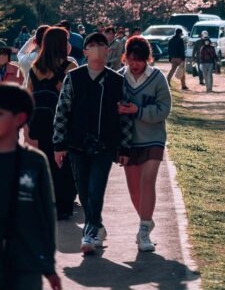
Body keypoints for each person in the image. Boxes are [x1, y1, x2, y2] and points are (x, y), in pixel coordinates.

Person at [53, 32, 132, 255]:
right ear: (85, 51)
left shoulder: (117, 81)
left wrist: (124, 147)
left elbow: (124, 117)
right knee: (83, 189)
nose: (97, 48)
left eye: (101, 45)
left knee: (96, 188)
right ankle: (96, 224)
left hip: (105, 145)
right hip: (77, 144)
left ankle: (89, 232)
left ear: (108, 50)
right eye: (92, 45)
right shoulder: (74, 78)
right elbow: (62, 112)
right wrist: (59, 144)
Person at [0, 83, 61, 290]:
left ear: (20, 118)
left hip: (27, 264)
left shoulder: (34, 162)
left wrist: (49, 266)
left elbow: (46, 214)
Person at [117, 36, 171, 252]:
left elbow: (164, 109)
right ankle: (146, 220)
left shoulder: (157, 78)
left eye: (139, 60)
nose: (135, 64)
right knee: (134, 189)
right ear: (125, 58)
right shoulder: (120, 78)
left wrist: (138, 111)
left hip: (153, 138)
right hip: (129, 141)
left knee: (148, 182)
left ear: (147, 58)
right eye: (131, 60)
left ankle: (143, 231)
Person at [27, 27, 77, 220]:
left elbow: (29, 95)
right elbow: (75, 98)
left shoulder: (35, 67)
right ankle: (64, 204)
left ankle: (47, 202)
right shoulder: (69, 67)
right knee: (64, 163)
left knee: (46, 161)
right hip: (62, 123)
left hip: (39, 122)